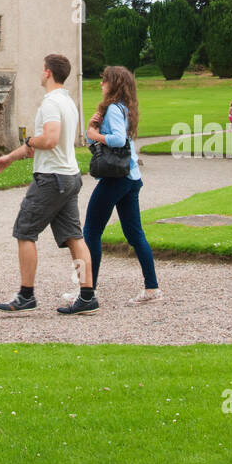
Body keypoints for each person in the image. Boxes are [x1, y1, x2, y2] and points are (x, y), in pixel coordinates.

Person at [0, 53, 98, 315]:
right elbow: (45, 143)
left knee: (25, 231)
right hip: (70, 176)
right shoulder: (69, 102)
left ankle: (26, 295)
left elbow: (49, 139)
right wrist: (10, 157)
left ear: (48, 72)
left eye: (42, 68)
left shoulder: (50, 103)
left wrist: (29, 142)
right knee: (74, 237)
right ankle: (87, 296)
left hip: (51, 179)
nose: (40, 73)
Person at [58, 64, 162, 311]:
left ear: (113, 84)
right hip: (131, 177)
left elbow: (117, 139)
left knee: (91, 231)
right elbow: (103, 136)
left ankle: (87, 292)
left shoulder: (114, 109)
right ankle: (152, 288)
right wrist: (92, 129)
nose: (101, 84)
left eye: (105, 81)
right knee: (135, 234)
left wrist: (95, 135)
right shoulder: (123, 108)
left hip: (116, 178)